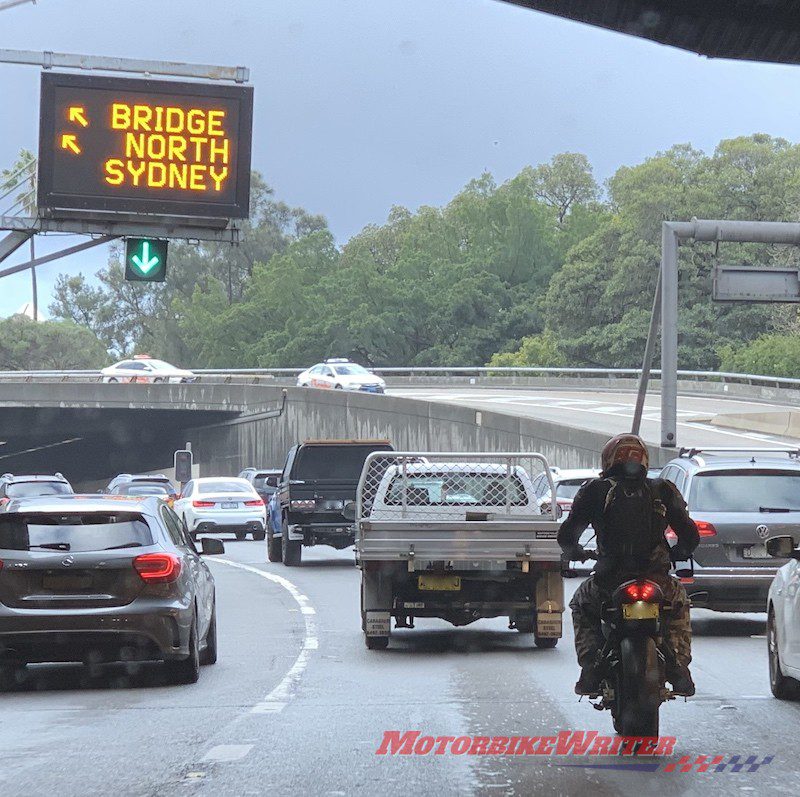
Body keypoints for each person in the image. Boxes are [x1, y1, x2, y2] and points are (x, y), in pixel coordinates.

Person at [557, 433, 699, 697]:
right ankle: (680, 671)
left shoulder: (594, 491)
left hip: (609, 581)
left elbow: (567, 536)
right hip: (657, 580)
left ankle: (590, 670)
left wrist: (576, 552)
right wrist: (679, 551)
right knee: (678, 606)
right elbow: (690, 535)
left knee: (581, 605)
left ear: (609, 459)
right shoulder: (662, 489)